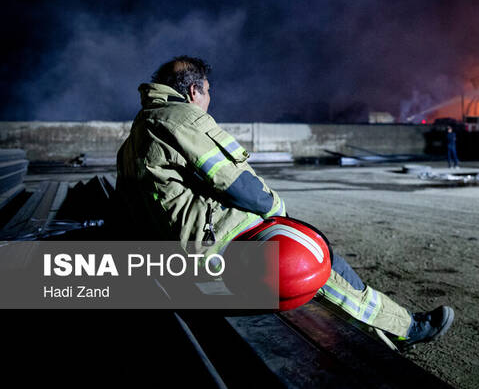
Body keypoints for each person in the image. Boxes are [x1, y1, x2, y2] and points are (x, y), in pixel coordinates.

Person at [116, 56, 454, 348]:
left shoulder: (134, 137)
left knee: (302, 253)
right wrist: (279, 212)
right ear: (194, 91)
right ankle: (405, 328)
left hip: (174, 261)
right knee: (312, 252)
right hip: (212, 253)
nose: (207, 102)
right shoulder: (183, 118)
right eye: (207, 93)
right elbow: (236, 182)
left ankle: (394, 327)